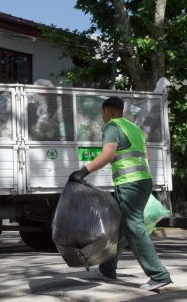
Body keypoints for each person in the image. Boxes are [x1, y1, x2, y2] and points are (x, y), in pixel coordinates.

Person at [68, 96, 172, 292]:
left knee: (134, 228)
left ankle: (159, 275)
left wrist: (82, 172)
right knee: (120, 228)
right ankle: (107, 269)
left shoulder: (112, 127)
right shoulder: (135, 129)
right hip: (143, 181)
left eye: (102, 113)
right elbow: (147, 157)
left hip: (129, 184)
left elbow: (107, 155)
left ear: (106, 111)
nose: (102, 116)